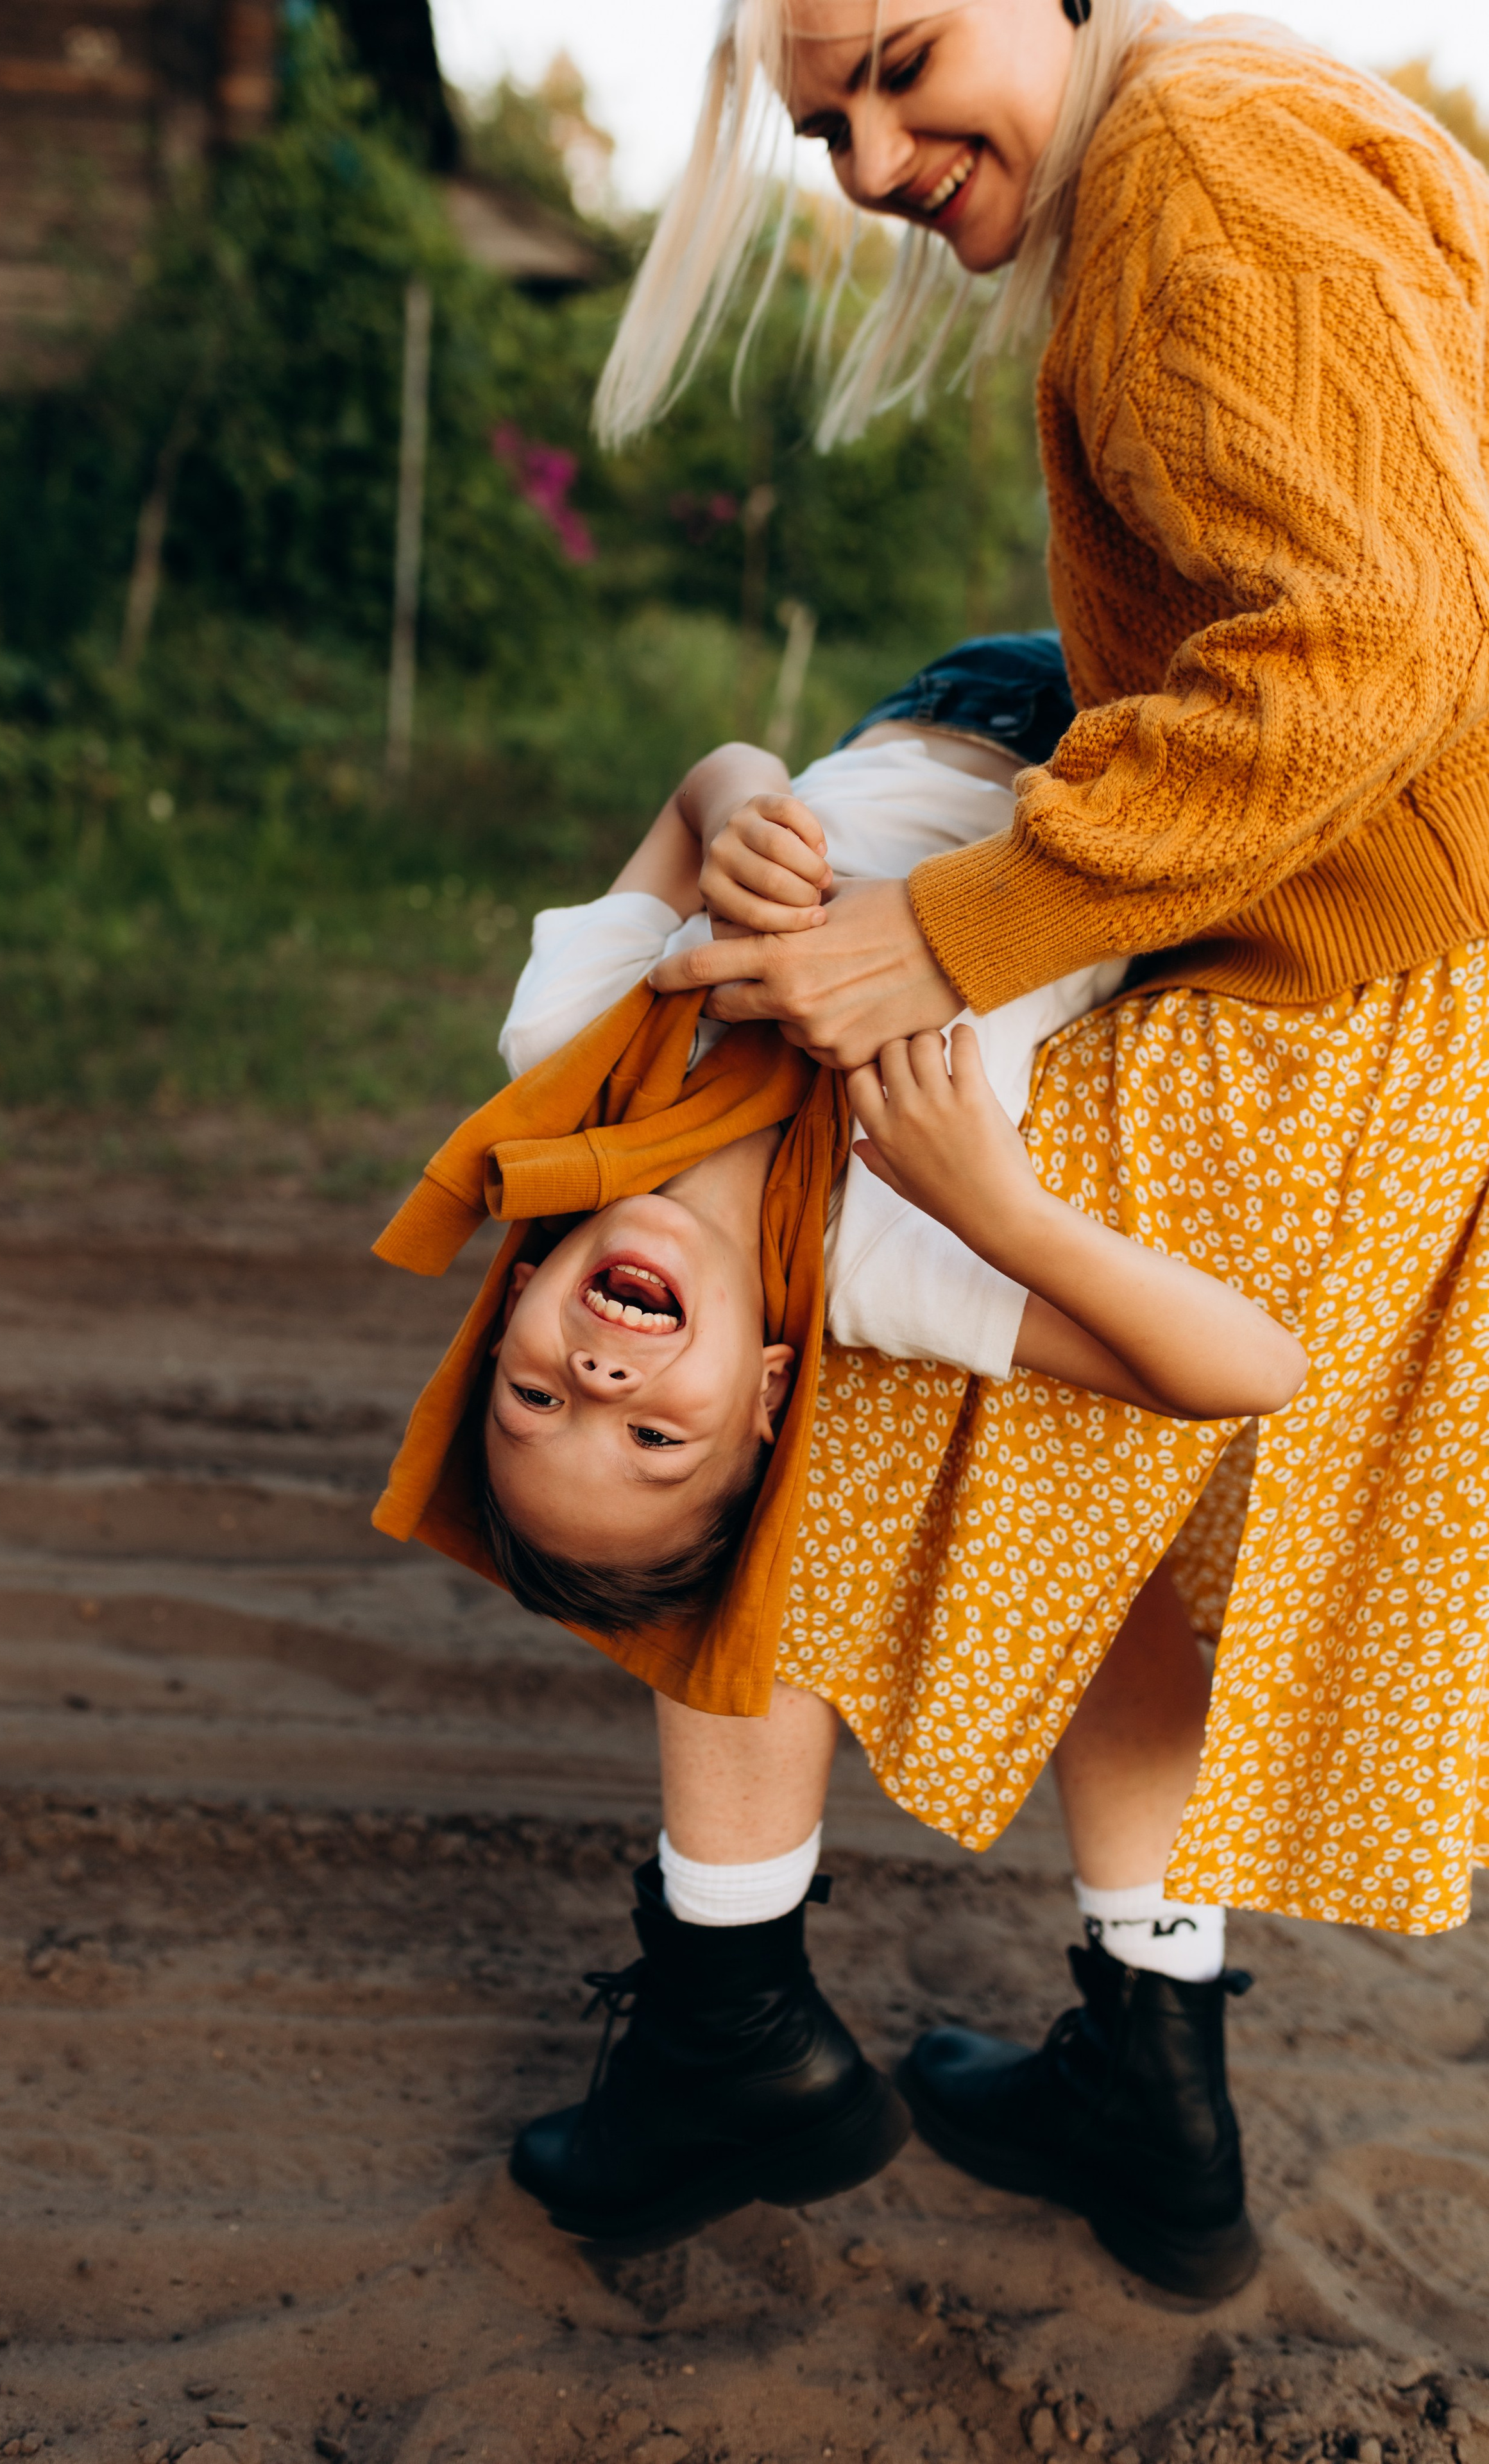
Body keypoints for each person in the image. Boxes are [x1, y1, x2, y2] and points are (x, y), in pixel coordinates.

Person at [549, 0, 1489, 2303]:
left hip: (1329, 994)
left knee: (766, 1384)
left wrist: (952, 931)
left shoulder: (1197, 162)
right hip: (1392, 982)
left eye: (898, 60)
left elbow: (1366, 647)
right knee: (1110, 1488)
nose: (872, 158)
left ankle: (727, 2030)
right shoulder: (1260, 114)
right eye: (823, 126)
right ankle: (1148, 2087)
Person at [371, 658, 1304, 2257]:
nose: (598, 1377)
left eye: (532, 1401)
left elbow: (702, 783)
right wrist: (995, 1209)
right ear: (767, 1398)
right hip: (1115, 774)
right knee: (1087, 1513)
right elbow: (1248, 1371)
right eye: (649, 1432)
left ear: (510, 1297)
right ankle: (1118, 2072)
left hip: (944, 700)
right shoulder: (880, 1257)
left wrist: (747, 809)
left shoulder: (569, 1058)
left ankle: (774, 2036)